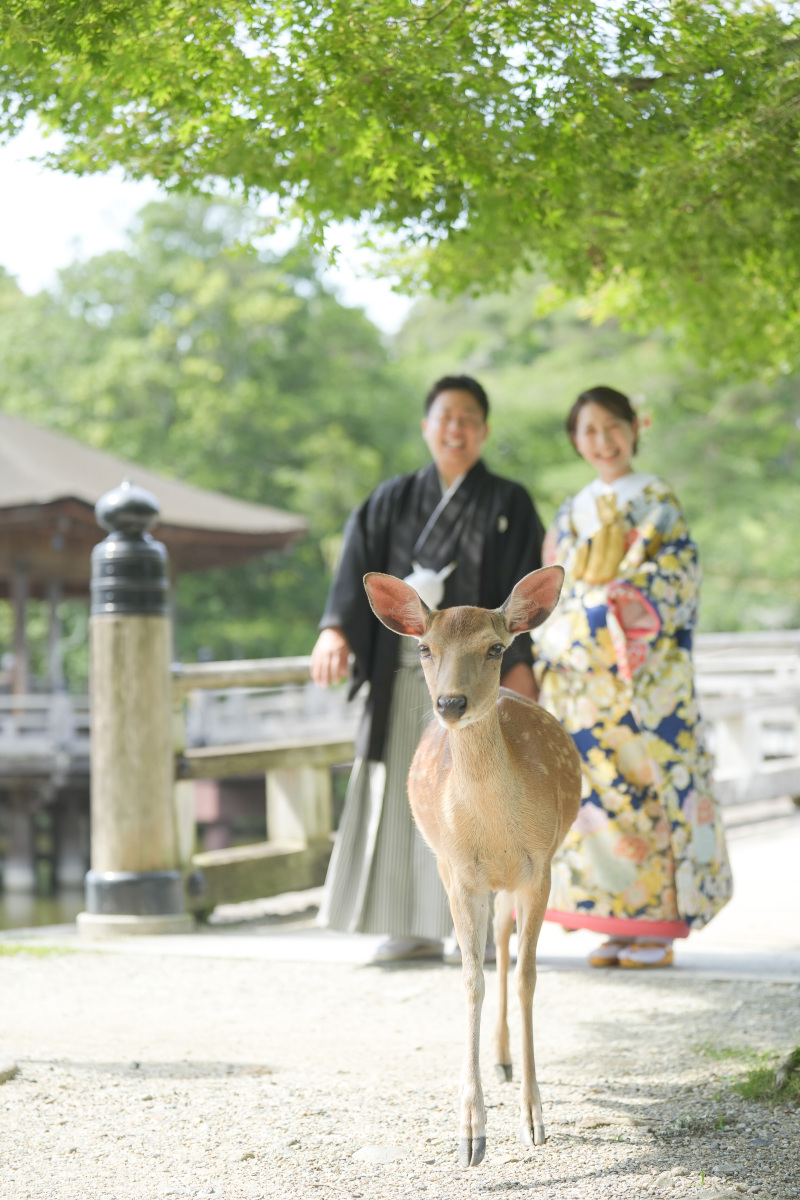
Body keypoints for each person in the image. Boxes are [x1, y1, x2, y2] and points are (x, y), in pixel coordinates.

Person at [311, 375, 545, 962]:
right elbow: (356, 568)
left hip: (482, 680)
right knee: (405, 792)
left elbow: (520, 603)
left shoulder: (508, 502)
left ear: (484, 431)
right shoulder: (390, 499)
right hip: (410, 673)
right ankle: (407, 921)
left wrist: (518, 667)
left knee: (483, 795)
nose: (456, 428)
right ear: (427, 426)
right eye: (445, 417)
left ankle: (483, 929)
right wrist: (335, 627)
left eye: (469, 418)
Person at [532, 386, 732, 968]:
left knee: (648, 792)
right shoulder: (571, 510)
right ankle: (613, 921)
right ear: (576, 440)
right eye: (589, 430)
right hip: (580, 683)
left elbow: (677, 576)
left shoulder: (657, 499)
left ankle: (657, 928)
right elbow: (550, 584)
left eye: (613, 426)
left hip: (643, 679)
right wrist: (570, 625)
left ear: (634, 429)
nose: (603, 440)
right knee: (593, 798)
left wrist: (614, 605)